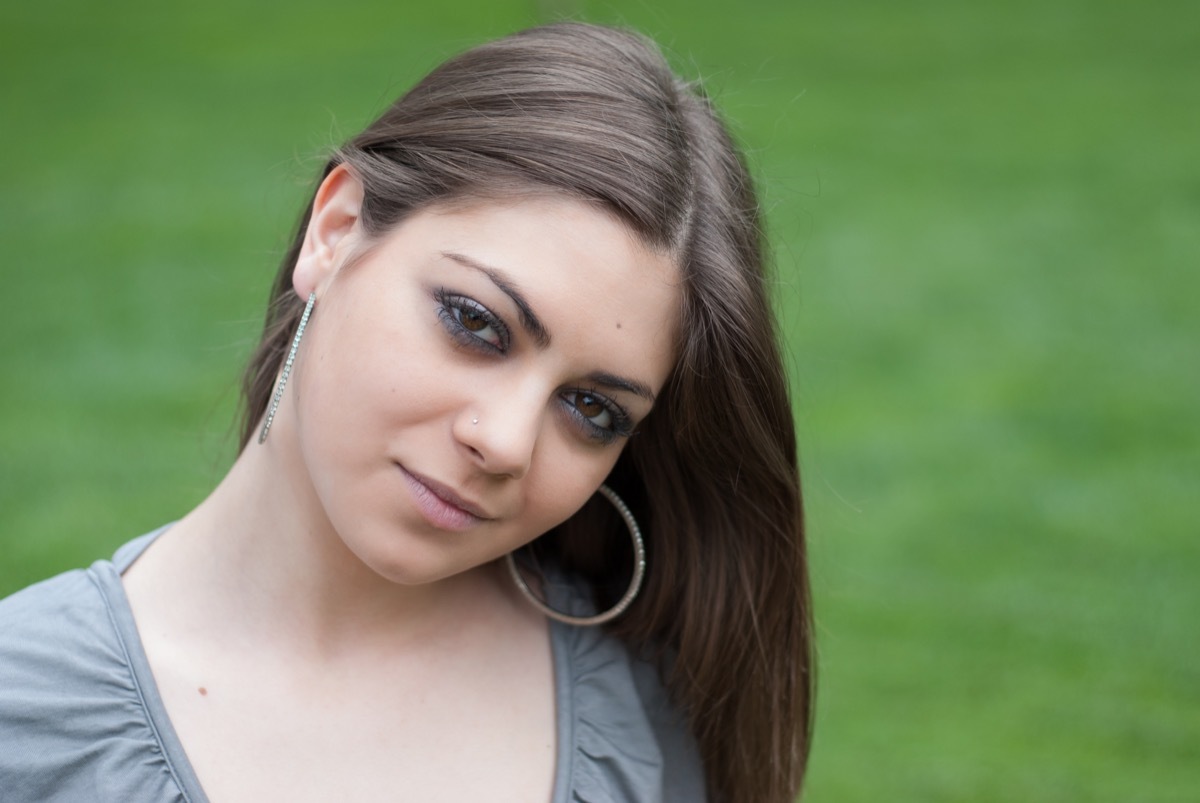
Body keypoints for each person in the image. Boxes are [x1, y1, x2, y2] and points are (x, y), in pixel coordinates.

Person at [0, 22, 813, 803]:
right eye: (476, 322)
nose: (503, 442)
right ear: (337, 229)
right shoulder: (25, 718)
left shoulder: (638, 717)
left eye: (591, 408)